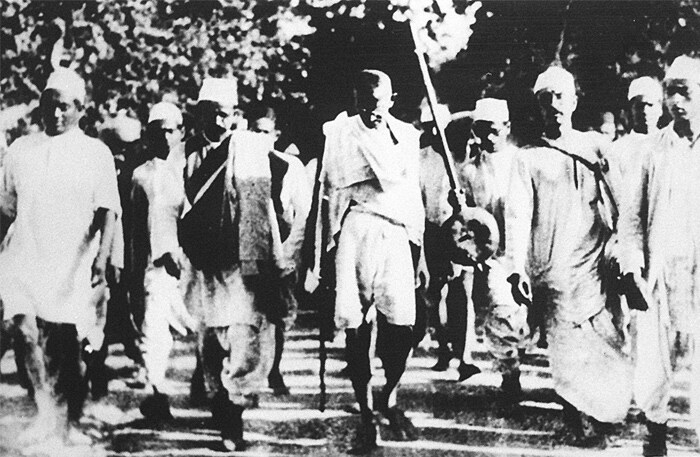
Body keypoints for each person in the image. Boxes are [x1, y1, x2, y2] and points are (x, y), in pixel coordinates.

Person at [505, 66, 632, 446]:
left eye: (561, 97)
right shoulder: (526, 159)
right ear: (538, 105)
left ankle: (601, 409)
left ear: (574, 102)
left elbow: (624, 202)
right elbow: (517, 217)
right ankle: (579, 419)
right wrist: (517, 270)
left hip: (595, 263)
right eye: (547, 98)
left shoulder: (596, 146)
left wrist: (626, 250)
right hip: (553, 268)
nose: (554, 105)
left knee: (606, 339)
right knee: (565, 348)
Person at [0, 68, 120, 445]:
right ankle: (45, 410)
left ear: (81, 109)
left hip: (72, 262)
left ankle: (68, 420)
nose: (55, 114)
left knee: (67, 348)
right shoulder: (20, 150)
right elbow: (7, 208)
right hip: (24, 256)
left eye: (64, 107)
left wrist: (101, 261)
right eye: (49, 106)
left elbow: (109, 211)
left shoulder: (95, 153)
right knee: (25, 330)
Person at [315, 70, 426, 453]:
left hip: (396, 233)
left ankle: (390, 397)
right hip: (355, 230)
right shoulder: (340, 133)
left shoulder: (407, 137)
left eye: (378, 103)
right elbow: (326, 193)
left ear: (391, 100)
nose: (371, 110)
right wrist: (324, 252)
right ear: (356, 96)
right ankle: (365, 416)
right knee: (355, 325)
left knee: (403, 326)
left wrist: (421, 252)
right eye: (364, 101)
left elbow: (414, 197)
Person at [180, 78, 292, 451]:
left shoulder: (245, 147)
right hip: (200, 264)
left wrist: (258, 262)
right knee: (210, 339)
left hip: (238, 261)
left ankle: (234, 413)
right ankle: (218, 401)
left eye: (224, 114)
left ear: (234, 115)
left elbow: (257, 207)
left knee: (244, 337)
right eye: (210, 114)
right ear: (198, 114)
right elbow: (171, 207)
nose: (217, 121)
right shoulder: (184, 153)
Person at [618, 54, 700, 457]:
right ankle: (656, 431)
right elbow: (630, 219)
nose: (675, 100)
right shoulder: (651, 150)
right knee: (653, 358)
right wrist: (631, 268)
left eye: (684, 91)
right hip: (661, 273)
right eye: (670, 90)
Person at [449, 97, 529, 406]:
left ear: (507, 128)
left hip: (528, 249)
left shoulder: (523, 162)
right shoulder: (468, 172)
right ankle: (510, 376)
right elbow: (464, 220)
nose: (489, 138)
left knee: (527, 315)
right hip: (494, 256)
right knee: (500, 313)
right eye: (482, 131)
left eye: (494, 131)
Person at [128, 101, 196, 421]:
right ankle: (158, 392)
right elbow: (136, 228)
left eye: (171, 130)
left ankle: (210, 386)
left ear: (181, 132)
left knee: (206, 327)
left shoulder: (194, 168)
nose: (164, 137)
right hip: (157, 267)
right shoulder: (140, 175)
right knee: (155, 331)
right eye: (158, 132)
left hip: (195, 264)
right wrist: (133, 272)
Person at [249, 109, 312, 396]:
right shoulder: (244, 164)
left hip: (284, 252)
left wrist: (290, 254)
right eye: (255, 131)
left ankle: (274, 369)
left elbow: (301, 214)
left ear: (275, 135)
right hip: (252, 252)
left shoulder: (291, 167)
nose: (260, 138)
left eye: (265, 132)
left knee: (280, 315)